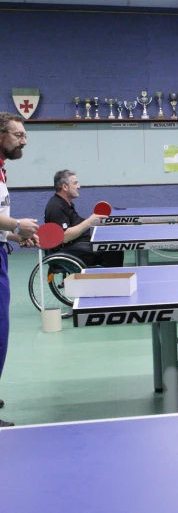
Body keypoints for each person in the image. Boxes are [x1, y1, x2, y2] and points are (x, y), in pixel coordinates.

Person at [0, 112, 40, 427]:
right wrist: (17, 224)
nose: (23, 140)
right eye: (18, 135)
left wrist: (14, 236)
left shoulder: (1, 171)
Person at [44, 170, 124, 268]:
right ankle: (110, 278)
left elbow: (76, 224)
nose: (79, 186)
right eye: (75, 183)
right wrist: (89, 222)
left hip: (77, 245)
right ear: (65, 187)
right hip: (66, 252)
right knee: (112, 249)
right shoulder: (56, 207)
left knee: (113, 246)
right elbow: (64, 237)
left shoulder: (66, 203)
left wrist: (98, 221)